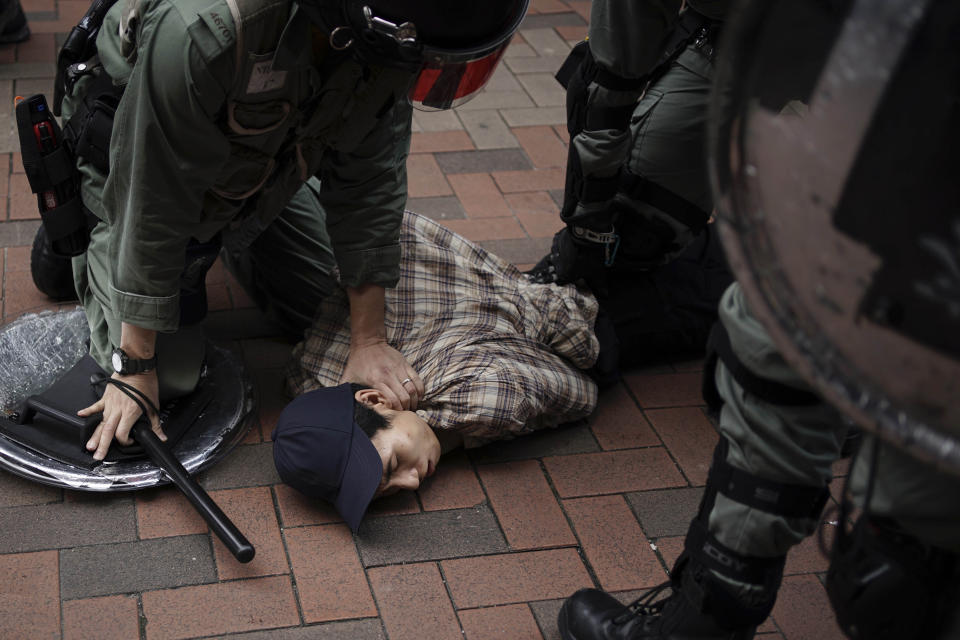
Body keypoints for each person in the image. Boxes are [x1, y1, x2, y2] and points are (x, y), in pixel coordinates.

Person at [556, 0, 960, 639]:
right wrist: (591, 213)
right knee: (641, 211)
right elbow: (615, 62)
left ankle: (705, 618)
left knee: (785, 327)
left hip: (905, 89)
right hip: (762, 48)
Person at [47, 0, 528, 461]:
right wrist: (135, 365)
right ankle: (85, 233)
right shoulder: (207, 27)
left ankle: (217, 240)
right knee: (168, 378)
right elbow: (151, 195)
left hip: (257, 159)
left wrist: (368, 339)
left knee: (326, 309)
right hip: (130, 159)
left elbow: (371, 178)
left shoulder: (392, 33)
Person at [274, 210, 601, 530]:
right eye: (384, 491)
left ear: (374, 399)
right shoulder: (311, 375)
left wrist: (444, 436)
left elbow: (584, 391)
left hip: (598, 319)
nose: (412, 482)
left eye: (394, 465)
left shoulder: (485, 397)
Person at [526, 0, 731, 375]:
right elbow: (607, 88)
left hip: (859, 54)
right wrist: (589, 226)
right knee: (639, 218)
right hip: (738, 39)